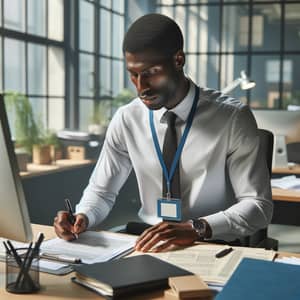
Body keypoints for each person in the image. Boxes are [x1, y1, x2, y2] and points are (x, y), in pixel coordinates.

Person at [54, 13, 273, 252]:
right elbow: (101, 191)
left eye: (150, 73)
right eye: (133, 75)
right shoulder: (127, 119)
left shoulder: (232, 118)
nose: (141, 88)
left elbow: (258, 206)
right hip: (148, 242)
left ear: (178, 60)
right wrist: (83, 215)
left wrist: (197, 227)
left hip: (211, 243)